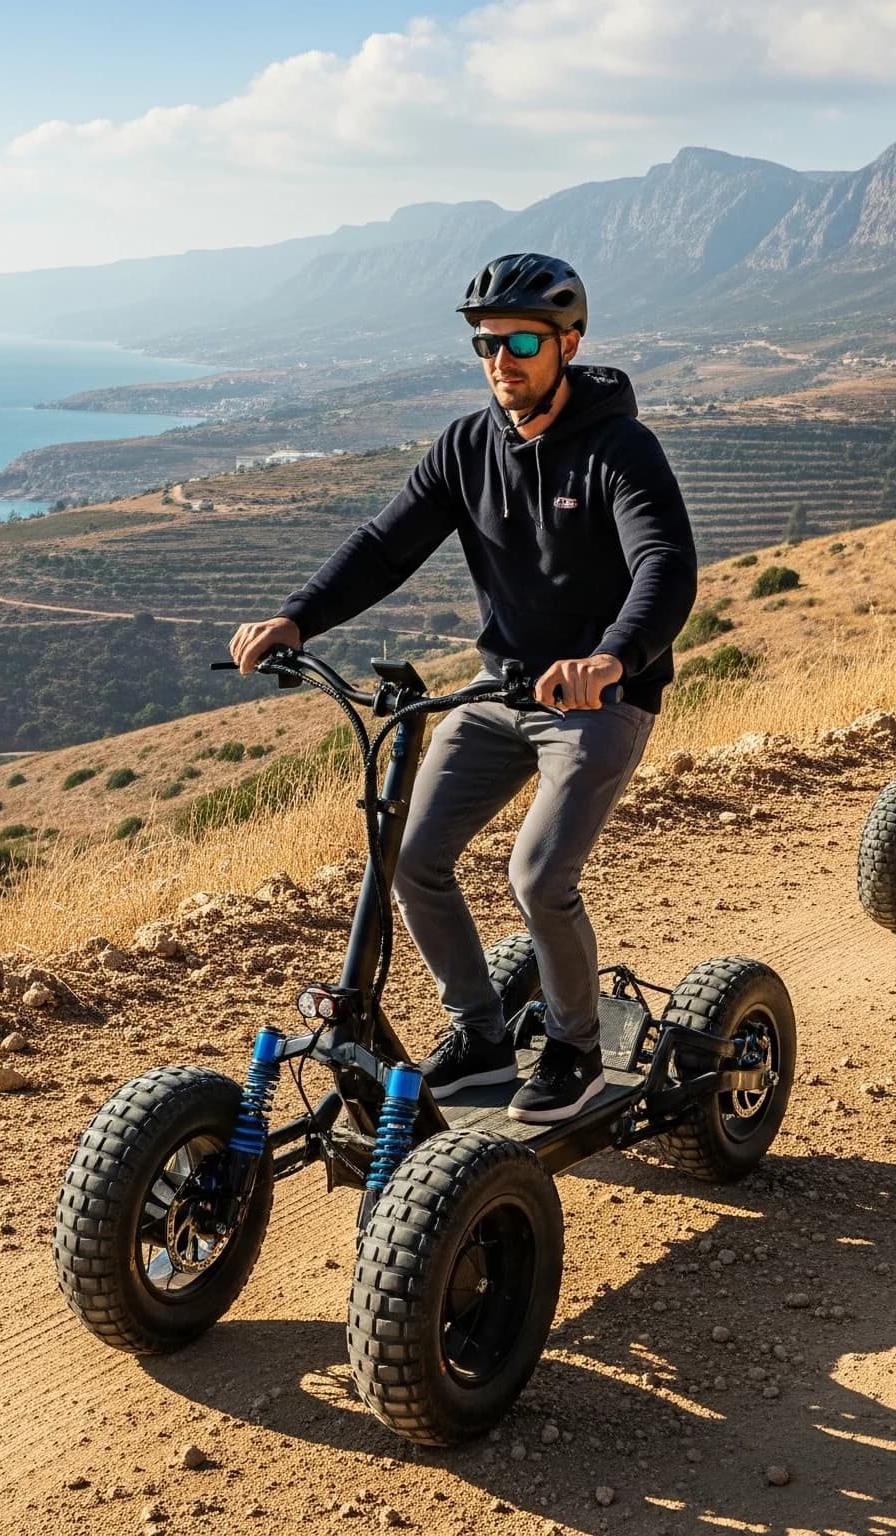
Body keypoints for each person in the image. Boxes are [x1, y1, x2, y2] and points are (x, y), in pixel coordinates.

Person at [228, 254, 696, 1125]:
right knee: (409, 856)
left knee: (538, 876)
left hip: (599, 699)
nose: (501, 360)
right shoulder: (467, 445)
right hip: (501, 686)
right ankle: (482, 1034)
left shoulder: (619, 447)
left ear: (570, 342)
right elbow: (382, 546)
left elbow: (664, 565)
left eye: (522, 340)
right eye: (486, 343)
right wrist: (298, 618)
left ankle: (575, 1050)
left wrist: (612, 658)